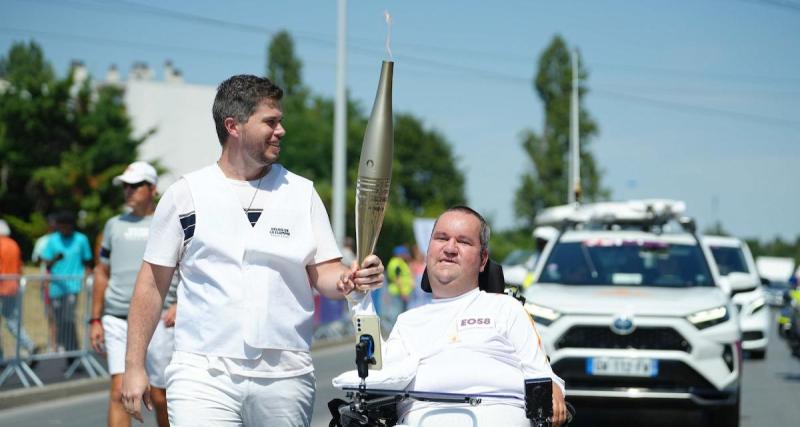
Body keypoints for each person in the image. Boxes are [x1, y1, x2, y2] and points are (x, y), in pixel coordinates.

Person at [121, 74, 385, 427]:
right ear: (234, 126)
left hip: (285, 375)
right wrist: (134, 366)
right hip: (203, 372)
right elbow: (151, 285)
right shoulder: (186, 195)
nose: (281, 130)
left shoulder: (301, 193)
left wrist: (351, 279)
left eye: (280, 121)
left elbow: (325, 272)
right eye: (270, 122)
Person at [340, 206, 566, 426]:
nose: (450, 248)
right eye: (441, 238)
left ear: (483, 259)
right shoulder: (408, 322)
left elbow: (544, 377)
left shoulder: (507, 309)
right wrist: (359, 301)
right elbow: (379, 372)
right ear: (428, 250)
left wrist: (554, 389)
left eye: (464, 241)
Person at [90, 161, 176, 427]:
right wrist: (95, 319)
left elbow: (190, 268)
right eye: (125, 186)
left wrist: (180, 304)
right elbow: (102, 272)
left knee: (161, 396)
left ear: (152, 189)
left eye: (136, 185)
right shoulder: (113, 225)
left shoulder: (169, 222)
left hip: (159, 318)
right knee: (119, 391)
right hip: (117, 317)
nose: (129, 191)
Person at [42, 211, 92, 354]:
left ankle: (73, 351)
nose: (63, 229)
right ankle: (69, 350)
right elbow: (46, 262)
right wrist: (54, 259)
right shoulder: (53, 240)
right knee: (59, 320)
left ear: (71, 225)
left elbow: (87, 261)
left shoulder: (81, 239)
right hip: (56, 287)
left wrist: (88, 278)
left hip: (73, 286)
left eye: (66, 226)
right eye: (60, 226)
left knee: (68, 318)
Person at [0, 219, 38, 361]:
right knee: (12, 321)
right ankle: (29, 345)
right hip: (13, 287)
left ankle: (25, 346)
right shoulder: (14, 244)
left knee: (11, 322)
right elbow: (19, 266)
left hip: (2, 287)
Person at [387, 245, 414, 313]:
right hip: (398, 293)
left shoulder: (397, 262)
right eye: (405, 253)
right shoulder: (397, 263)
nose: (407, 255)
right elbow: (397, 279)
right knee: (398, 314)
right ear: (401, 254)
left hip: (399, 293)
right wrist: (403, 293)